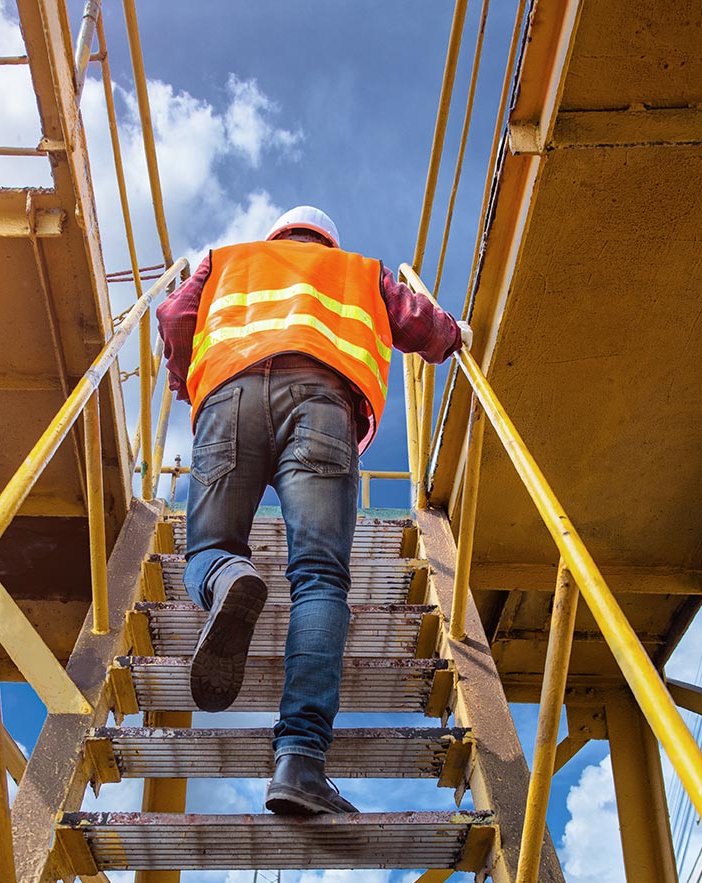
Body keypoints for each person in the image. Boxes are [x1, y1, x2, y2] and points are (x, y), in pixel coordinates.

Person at [156, 205, 471, 816]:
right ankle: (299, 760)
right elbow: (423, 324)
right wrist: (458, 336)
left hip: (229, 397)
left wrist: (184, 379)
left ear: (277, 234)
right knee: (320, 579)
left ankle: (228, 577)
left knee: (208, 549)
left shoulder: (227, 261)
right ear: (328, 239)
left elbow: (174, 316)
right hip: (324, 406)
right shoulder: (362, 272)